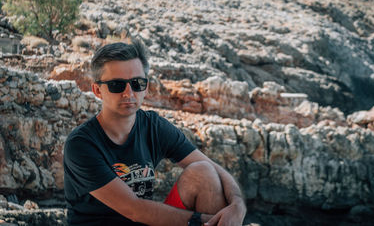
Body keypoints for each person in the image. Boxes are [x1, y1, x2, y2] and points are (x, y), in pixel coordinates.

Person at [63, 41, 247, 226]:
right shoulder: (81, 144)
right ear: (97, 90)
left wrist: (238, 205)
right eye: (117, 85)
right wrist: (214, 222)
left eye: (137, 83)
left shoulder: (153, 126)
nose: (129, 93)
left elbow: (213, 167)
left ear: (146, 86)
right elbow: (134, 209)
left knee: (204, 173)